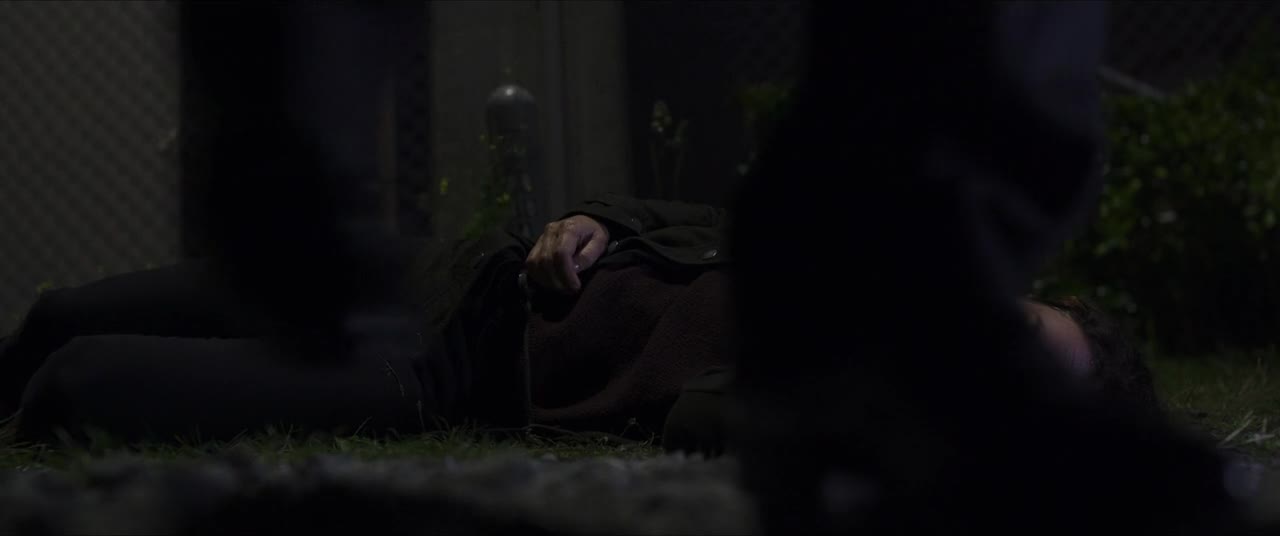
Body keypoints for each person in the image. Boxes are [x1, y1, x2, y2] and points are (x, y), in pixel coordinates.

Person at [0, 194, 1156, 451]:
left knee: (84, 376)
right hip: (444, 266)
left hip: (440, 369)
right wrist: (588, 219)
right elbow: (671, 216)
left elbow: (701, 414)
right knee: (56, 311)